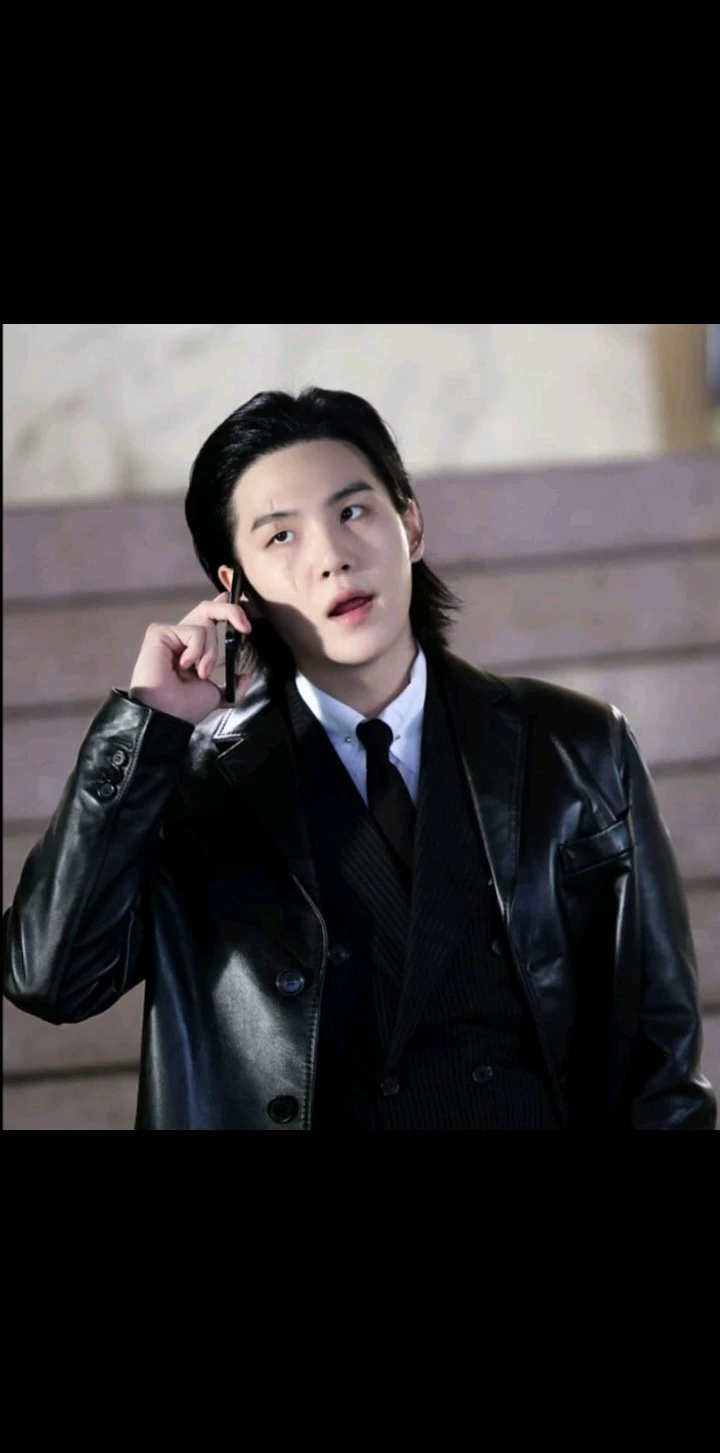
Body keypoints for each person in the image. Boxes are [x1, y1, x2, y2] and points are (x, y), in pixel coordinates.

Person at [3, 387, 716, 1131]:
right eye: (282, 536)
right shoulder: (190, 782)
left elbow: (661, 1068)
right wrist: (145, 727)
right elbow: (51, 978)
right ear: (235, 588)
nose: (332, 559)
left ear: (410, 524)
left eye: (352, 512)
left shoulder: (575, 744)